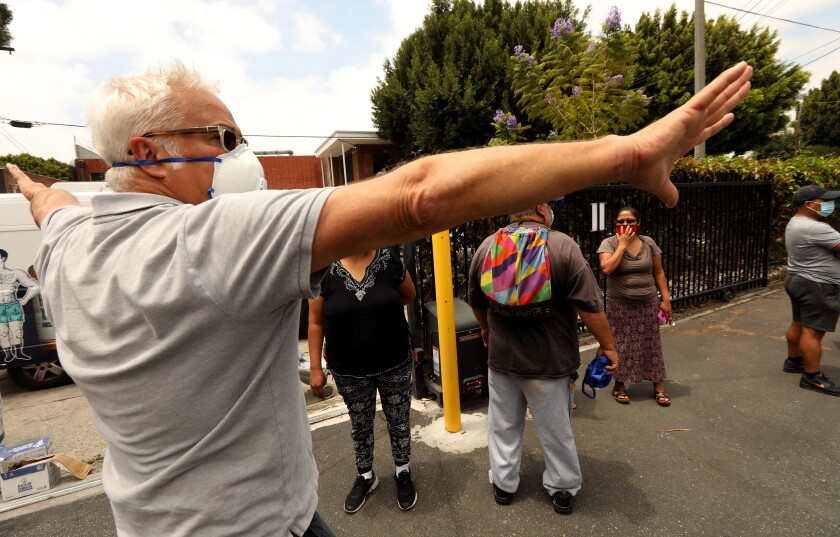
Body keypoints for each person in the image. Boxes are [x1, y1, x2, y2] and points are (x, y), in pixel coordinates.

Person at [7, 59, 751, 536]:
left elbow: (54, 208)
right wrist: (630, 152)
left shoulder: (71, 243)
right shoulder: (205, 240)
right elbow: (421, 196)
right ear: (148, 152)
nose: (234, 154)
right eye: (221, 135)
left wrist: (35, 189)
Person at [467, 202, 619, 515]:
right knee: (555, 429)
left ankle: (503, 485)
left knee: (503, 425)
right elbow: (589, 306)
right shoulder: (563, 246)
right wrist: (608, 346)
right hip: (549, 362)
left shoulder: (487, 247)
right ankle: (563, 489)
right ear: (540, 208)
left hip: (502, 359)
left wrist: (485, 329)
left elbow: (475, 298)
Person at [307, 248, 417, 513]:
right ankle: (366, 476)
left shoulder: (389, 262)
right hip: (348, 368)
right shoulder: (323, 272)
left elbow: (408, 295)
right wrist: (314, 368)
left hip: (394, 362)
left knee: (399, 421)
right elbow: (315, 322)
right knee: (360, 425)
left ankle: (403, 471)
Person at [597, 206, 672, 406]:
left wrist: (665, 300)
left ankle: (658, 386)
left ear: (638, 223)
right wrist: (622, 245)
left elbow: (658, 272)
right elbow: (606, 269)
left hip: (647, 303)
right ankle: (619, 385)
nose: (625, 225)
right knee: (621, 345)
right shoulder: (609, 243)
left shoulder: (649, 243)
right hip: (620, 305)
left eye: (630, 221)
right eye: (621, 222)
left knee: (651, 344)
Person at [782, 185, 840, 396]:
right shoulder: (816, 227)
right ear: (809, 204)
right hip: (818, 284)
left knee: (799, 323)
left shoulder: (796, 222)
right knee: (813, 331)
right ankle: (812, 377)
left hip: (799, 279)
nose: (828, 205)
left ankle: (794, 360)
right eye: (824, 201)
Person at [0, 249, 40, 363]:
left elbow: (35, 285)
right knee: (2, 333)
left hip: (13, 305)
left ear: (2, 258)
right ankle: (8, 354)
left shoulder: (15, 273)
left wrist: (25, 299)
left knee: (16, 331)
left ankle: (19, 353)